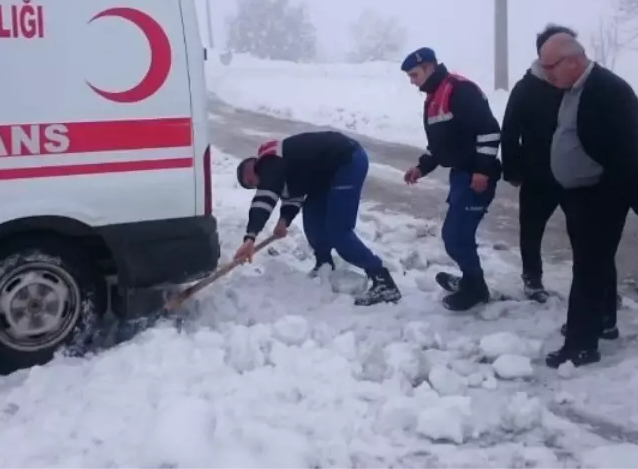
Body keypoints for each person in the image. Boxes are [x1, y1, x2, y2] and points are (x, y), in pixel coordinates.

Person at [539, 33, 638, 368]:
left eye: (550, 65)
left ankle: (581, 345)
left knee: (588, 267)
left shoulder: (610, 91)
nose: (546, 73)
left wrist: (600, 190)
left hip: (601, 195)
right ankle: (602, 321)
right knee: (595, 262)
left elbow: (626, 150)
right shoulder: (573, 88)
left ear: (573, 60)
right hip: (580, 193)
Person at [233, 130, 402, 306]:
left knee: (338, 231)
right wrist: (283, 221)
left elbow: (264, 200)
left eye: (252, 182)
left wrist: (250, 236)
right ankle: (324, 264)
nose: (257, 186)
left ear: (253, 166)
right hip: (325, 175)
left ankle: (383, 281)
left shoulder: (270, 162)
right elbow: (294, 195)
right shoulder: (282, 166)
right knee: (312, 219)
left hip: (347, 161)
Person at [399, 47, 502, 312]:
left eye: (414, 74)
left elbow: (489, 131)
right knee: (456, 236)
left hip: (476, 176)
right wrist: (421, 168)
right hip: (461, 175)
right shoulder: (435, 98)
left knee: (456, 237)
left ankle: (476, 288)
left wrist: (482, 170)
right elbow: (440, 145)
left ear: (430, 67)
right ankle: (470, 280)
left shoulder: (459, 90)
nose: (412, 81)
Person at [500, 23, 579, 303]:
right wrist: (513, 169)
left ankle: (598, 284)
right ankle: (532, 278)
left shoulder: (580, 85)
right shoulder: (527, 87)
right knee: (531, 230)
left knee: (587, 234)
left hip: (575, 176)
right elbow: (510, 129)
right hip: (538, 175)